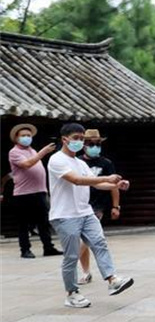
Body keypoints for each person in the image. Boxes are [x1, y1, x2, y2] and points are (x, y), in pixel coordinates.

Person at [48, 123, 134, 308]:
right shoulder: (56, 160)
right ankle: (72, 293)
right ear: (64, 139)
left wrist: (116, 185)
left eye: (82, 139)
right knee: (72, 255)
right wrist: (106, 178)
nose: (80, 142)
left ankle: (112, 280)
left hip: (85, 212)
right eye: (76, 138)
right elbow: (77, 180)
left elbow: (95, 184)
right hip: (65, 215)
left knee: (99, 242)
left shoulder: (80, 163)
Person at [7, 123, 63, 259]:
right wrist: (43, 152)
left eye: (29, 135)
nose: (27, 137)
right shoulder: (14, 152)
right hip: (23, 193)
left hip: (40, 191)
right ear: (16, 138)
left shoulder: (32, 150)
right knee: (24, 224)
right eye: (23, 135)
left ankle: (48, 247)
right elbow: (27, 164)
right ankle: (25, 249)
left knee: (43, 222)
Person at [76, 129, 123, 284]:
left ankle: (71, 258)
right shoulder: (78, 162)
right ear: (84, 145)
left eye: (97, 144)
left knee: (87, 239)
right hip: (81, 203)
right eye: (91, 144)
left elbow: (114, 185)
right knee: (83, 238)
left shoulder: (106, 163)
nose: (95, 147)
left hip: (98, 205)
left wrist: (116, 206)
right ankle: (86, 271)